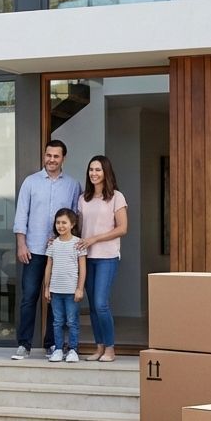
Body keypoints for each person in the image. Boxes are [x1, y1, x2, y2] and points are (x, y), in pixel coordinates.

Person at [11, 140, 82, 360]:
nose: (51, 159)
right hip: (33, 249)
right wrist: (21, 244)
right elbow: (22, 214)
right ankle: (24, 344)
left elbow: (74, 219)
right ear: (44, 156)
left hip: (60, 252)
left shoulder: (72, 185)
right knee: (29, 297)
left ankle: (53, 344)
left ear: (63, 159)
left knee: (57, 298)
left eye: (56, 156)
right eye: (48, 155)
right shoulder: (30, 183)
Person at [77, 155, 128, 362]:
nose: (94, 173)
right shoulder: (83, 198)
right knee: (92, 305)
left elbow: (123, 228)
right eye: (91, 169)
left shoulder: (117, 197)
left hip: (107, 257)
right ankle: (99, 348)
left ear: (106, 172)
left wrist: (95, 238)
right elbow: (79, 229)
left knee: (100, 303)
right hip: (86, 258)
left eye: (98, 169)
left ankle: (110, 348)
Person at [43, 208, 87, 364]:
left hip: (71, 291)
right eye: (58, 222)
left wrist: (80, 288)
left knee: (72, 321)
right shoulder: (53, 244)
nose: (60, 226)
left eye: (64, 223)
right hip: (56, 290)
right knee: (57, 321)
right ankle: (58, 349)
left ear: (72, 224)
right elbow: (49, 266)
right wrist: (47, 288)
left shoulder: (78, 244)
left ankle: (73, 349)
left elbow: (82, 268)